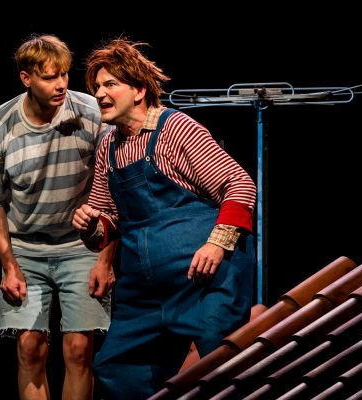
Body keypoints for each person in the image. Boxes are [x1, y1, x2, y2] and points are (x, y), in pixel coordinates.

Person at [71, 37, 257, 399]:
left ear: (139, 90)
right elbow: (108, 219)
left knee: (222, 367)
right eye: (96, 87)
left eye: (110, 84)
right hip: (145, 292)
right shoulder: (109, 145)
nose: (100, 94)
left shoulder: (176, 128)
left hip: (202, 282)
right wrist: (90, 224)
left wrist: (217, 245)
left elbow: (239, 184)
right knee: (117, 369)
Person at [0, 33, 116, 400]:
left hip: (81, 245)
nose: (61, 85)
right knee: (29, 348)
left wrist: (105, 259)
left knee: (79, 349)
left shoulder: (90, 113)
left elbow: (113, 190)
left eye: (64, 74)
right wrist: (9, 266)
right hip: (25, 247)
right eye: (50, 77)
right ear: (26, 78)